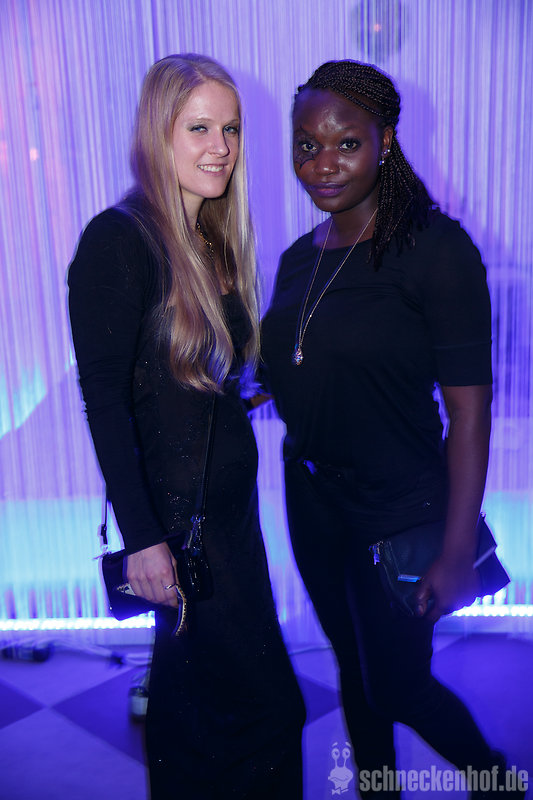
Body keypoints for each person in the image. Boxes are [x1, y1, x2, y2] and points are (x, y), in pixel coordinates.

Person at [261, 60, 524, 798]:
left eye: (345, 143)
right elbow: (303, 361)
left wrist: (455, 549)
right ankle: (379, 790)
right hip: (313, 498)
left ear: (385, 141)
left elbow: (469, 412)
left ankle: (496, 782)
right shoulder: (296, 259)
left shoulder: (434, 249)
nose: (322, 163)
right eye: (306, 144)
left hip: (400, 508)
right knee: (353, 668)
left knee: (398, 686)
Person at [68, 54, 305, 799]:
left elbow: (192, 383)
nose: (221, 147)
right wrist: (143, 538)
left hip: (227, 519)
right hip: (178, 525)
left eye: (230, 130)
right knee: (250, 716)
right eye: (199, 128)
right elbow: (106, 401)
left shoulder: (209, 239)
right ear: (156, 133)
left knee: (216, 712)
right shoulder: (119, 239)